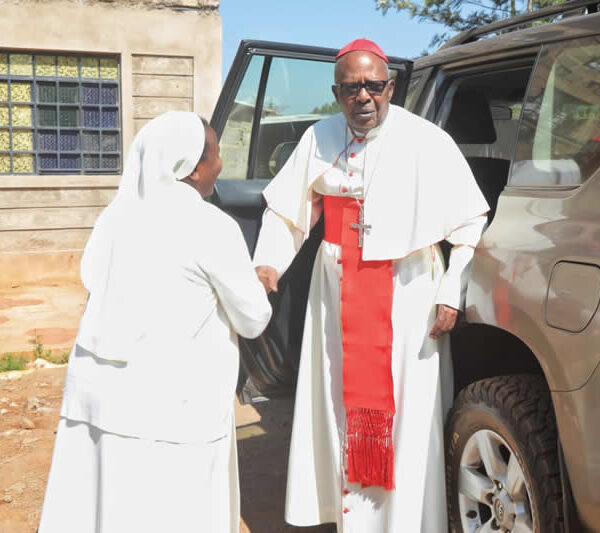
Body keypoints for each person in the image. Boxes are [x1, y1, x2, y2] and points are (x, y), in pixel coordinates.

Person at [253, 39, 489, 532]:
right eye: (350, 89)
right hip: (336, 287)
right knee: (338, 400)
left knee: (408, 409)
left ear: (391, 86)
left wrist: (451, 289)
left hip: (409, 292)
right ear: (336, 92)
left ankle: (408, 522)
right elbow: (286, 213)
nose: (364, 97)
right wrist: (268, 264)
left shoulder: (427, 141)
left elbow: (469, 224)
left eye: (374, 86)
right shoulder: (318, 137)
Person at [38, 111, 272, 533]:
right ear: (193, 166)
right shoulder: (210, 225)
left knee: (107, 508)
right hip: (171, 409)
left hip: (100, 397)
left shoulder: (113, 219)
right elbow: (253, 319)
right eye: (216, 154)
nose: (220, 164)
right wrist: (255, 283)